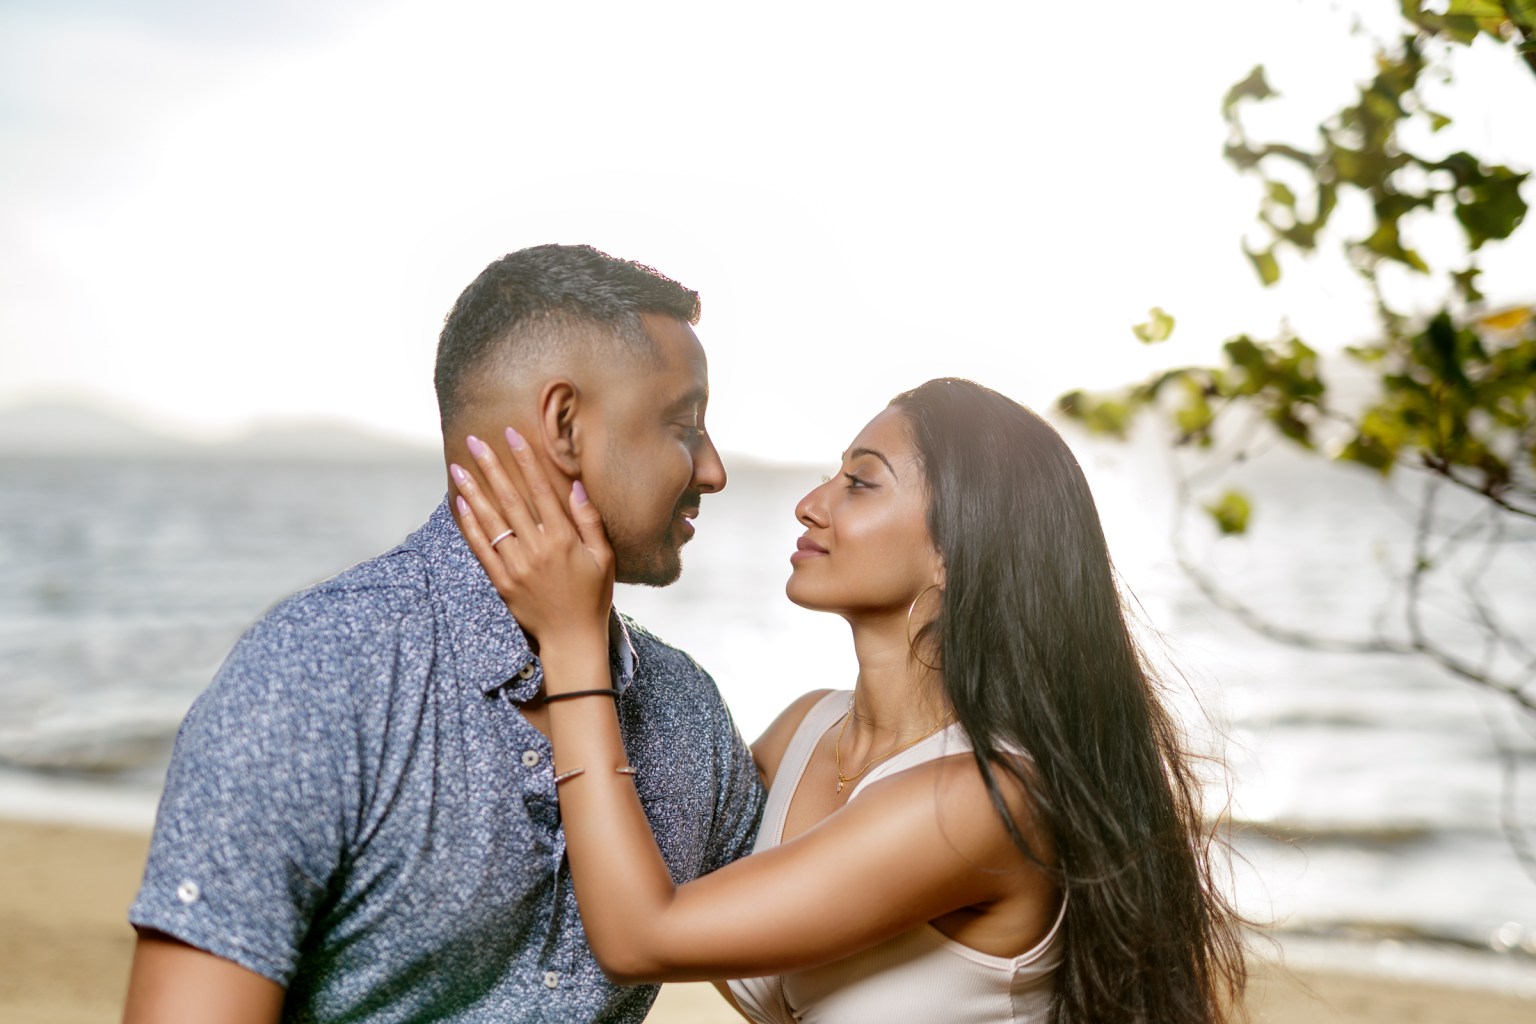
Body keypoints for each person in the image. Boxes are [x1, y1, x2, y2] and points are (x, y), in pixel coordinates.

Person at [453, 377, 1249, 1024]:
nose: (812, 503)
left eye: (861, 483)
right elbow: (618, 849)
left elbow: (641, 934)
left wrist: (574, 643)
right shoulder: (807, 728)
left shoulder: (981, 800)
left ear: (954, 553)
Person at [122, 244, 765, 1023]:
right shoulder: (314, 677)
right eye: (683, 424)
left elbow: (819, 971)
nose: (714, 469)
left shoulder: (687, 712)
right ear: (564, 423)